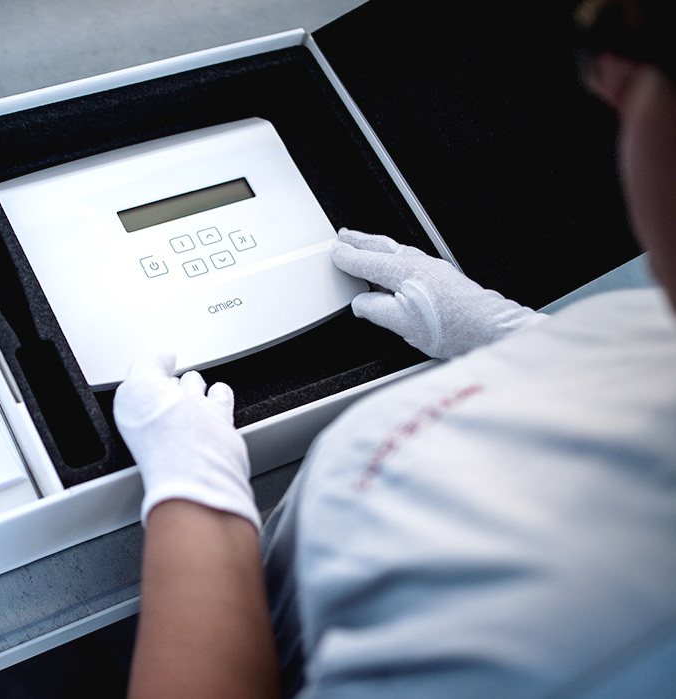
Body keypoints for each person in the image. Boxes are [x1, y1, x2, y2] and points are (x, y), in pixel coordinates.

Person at [113, 0, 676, 696]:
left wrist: (196, 498)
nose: (606, 83)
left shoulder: (592, 644)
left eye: (637, 46)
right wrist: (512, 335)